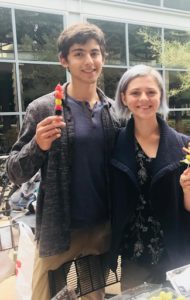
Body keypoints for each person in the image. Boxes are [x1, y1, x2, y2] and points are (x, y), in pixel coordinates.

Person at [6, 22, 124, 300]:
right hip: (59, 229)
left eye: (95, 53)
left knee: (93, 297)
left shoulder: (114, 113)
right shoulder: (43, 108)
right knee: (44, 296)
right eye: (79, 53)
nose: (89, 61)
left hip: (101, 228)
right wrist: (38, 145)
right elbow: (14, 172)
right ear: (64, 60)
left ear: (103, 58)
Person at [109, 64, 190, 290]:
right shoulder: (113, 143)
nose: (144, 98)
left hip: (175, 251)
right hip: (133, 253)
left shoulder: (183, 145)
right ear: (123, 98)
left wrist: (189, 191)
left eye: (151, 92)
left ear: (160, 96)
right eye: (135, 92)